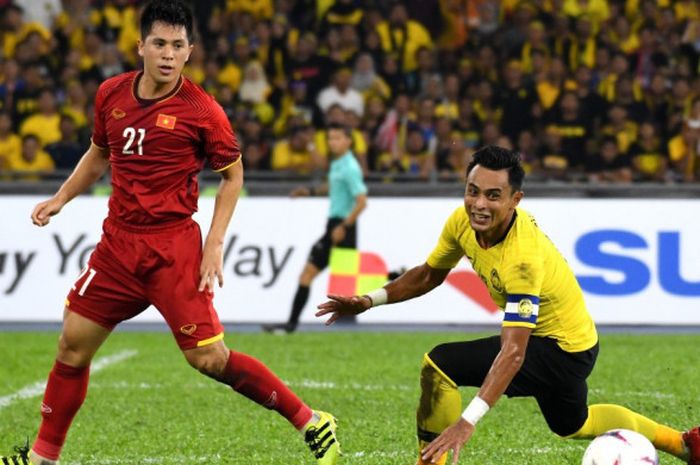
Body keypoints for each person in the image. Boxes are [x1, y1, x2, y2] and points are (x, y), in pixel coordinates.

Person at [0, 2, 339, 465]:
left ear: (189, 51)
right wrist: (61, 199)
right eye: (159, 43)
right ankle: (42, 457)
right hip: (118, 246)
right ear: (140, 46)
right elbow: (99, 154)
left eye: (177, 46)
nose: (167, 54)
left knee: (209, 360)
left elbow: (233, 176)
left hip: (172, 248)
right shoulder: (110, 94)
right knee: (72, 344)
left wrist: (214, 245)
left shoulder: (203, 111)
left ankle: (310, 419)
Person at [316, 145, 700, 465]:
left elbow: (514, 352)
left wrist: (467, 421)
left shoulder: (522, 257)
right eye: (472, 190)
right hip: (576, 342)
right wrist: (368, 300)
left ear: (516, 200)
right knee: (574, 424)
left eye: (493, 196)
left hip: (560, 347)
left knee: (440, 365)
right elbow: (430, 273)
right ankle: (683, 444)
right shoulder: (462, 221)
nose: (478, 204)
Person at [263, 123, 367, 334]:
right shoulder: (339, 164)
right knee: (350, 277)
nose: (332, 142)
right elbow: (333, 187)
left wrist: (344, 226)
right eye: (330, 138)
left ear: (348, 141)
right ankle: (395, 274)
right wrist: (309, 191)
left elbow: (362, 201)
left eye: (337, 138)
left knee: (309, 275)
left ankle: (290, 325)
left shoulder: (350, 167)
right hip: (337, 225)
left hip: (341, 226)